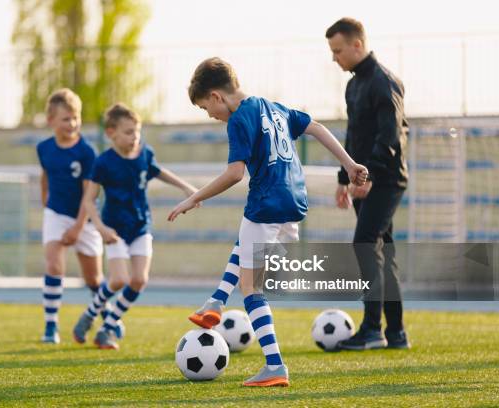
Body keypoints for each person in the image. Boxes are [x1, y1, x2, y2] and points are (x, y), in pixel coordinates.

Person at [168, 57, 368, 386]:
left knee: (251, 288)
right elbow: (316, 127)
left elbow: (235, 174)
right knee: (245, 247)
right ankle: (215, 302)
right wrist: (348, 164)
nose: (212, 116)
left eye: (207, 108)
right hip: (294, 206)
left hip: (265, 205)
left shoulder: (238, 120)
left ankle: (274, 365)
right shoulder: (273, 108)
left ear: (216, 96)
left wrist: (194, 198)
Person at [73, 102, 198, 349]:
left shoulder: (144, 153)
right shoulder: (104, 163)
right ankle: (89, 315)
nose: (134, 137)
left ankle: (106, 328)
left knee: (139, 280)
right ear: (111, 133)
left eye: (137, 132)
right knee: (119, 279)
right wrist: (101, 228)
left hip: (141, 226)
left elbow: (158, 171)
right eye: (128, 132)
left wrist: (187, 188)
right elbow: (88, 200)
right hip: (114, 230)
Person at [326, 17, 410, 350]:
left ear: (357, 45)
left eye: (338, 50)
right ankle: (396, 333)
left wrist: (368, 177)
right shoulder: (353, 85)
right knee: (382, 253)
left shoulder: (384, 81)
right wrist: (343, 178)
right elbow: (353, 137)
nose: (335, 58)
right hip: (363, 179)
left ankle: (372, 329)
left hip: (385, 181)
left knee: (365, 242)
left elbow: (390, 137)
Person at [37, 88, 113, 344]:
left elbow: (88, 196)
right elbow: (46, 174)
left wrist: (78, 227)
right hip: (56, 213)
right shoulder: (44, 148)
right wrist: (45, 199)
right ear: (51, 121)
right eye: (66, 118)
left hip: (85, 218)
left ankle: (109, 318)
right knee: (54, 266)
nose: (72, 123)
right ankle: (50, 326)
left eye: (75, 118)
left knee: (93, 279)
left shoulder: (86, 152)